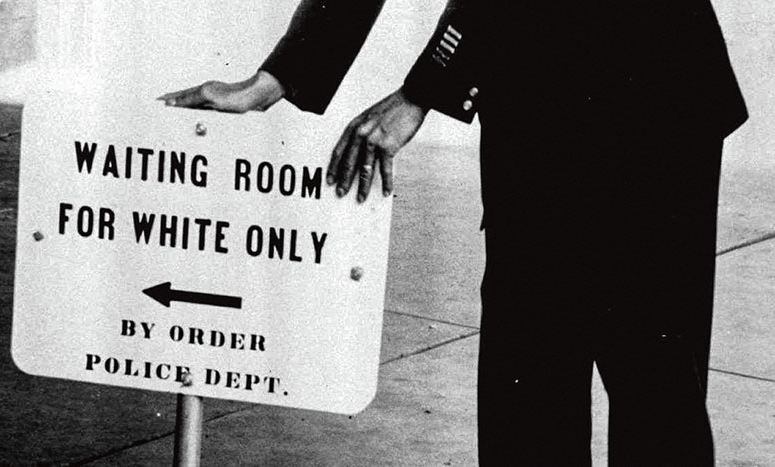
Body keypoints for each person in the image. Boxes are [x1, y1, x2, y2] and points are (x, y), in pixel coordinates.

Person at [159, 0, 748, 465]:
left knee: (652, 389)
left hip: (652, 96)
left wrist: (421, 93)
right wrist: (281, 76)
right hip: (537, 105)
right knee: (531, 388)